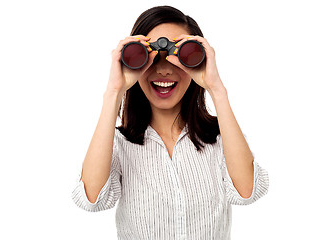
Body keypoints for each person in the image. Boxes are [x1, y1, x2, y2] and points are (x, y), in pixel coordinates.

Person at [71, 5, 269, 239]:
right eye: (151, 58)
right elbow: (92, 199)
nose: (164, 70)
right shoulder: (118, 144)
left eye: (179, 57)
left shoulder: (220, 138)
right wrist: (114, 91)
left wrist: (216, 89)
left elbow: (247, 192)